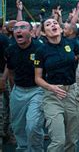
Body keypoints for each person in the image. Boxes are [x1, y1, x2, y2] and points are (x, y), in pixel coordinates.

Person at [34, 18, 79, 152]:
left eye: (55, 23)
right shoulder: (41, 51)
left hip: (72, 94)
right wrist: (50, 87)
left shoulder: (72, 44)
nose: (53, 24)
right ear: (43, 33)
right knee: (59, 141)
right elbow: (37, 78)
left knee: (71, 141)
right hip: (53, 96)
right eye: (48, 24)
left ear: (60, 28)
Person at [5, 21, 44, 151]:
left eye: (22, 27)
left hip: (37, 91)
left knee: (32, 126)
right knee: (17, 126)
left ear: (31, 32)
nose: (18, 30)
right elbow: (11, 72)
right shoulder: (10, 50)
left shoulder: (40, 48)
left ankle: (36, 149)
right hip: (18, 91)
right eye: (16, 28)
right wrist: (13, 91)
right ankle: (22, 148)